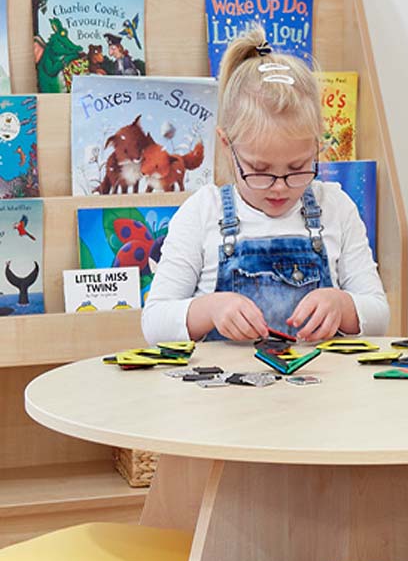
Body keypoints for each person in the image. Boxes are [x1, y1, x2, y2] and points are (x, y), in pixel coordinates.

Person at [142, 27, 388, 344]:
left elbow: (379, 315)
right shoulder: (203, 211)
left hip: (320, 390)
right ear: (227, 145)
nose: (279, 188)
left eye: (298, 168)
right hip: (223, 391)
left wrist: (343, 306)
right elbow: (154, 324)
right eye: (260, 170)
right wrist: (210, 309)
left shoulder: (336, 207)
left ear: (316, 146)